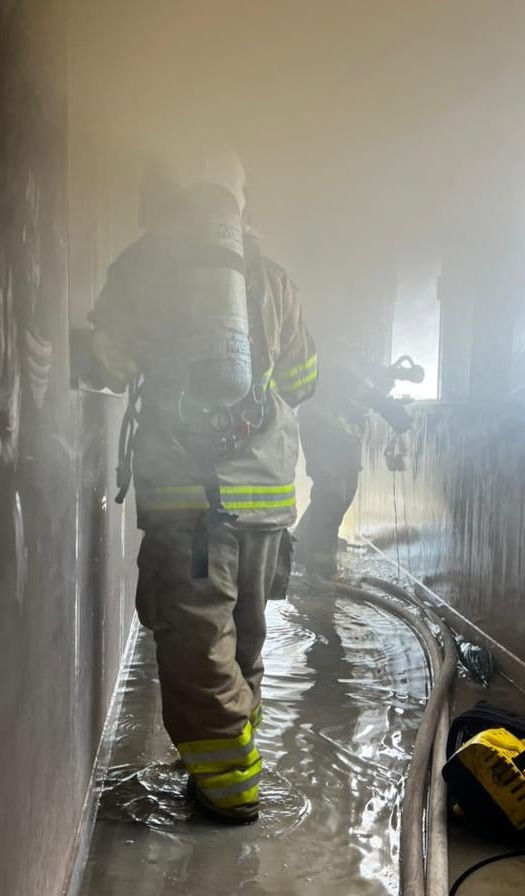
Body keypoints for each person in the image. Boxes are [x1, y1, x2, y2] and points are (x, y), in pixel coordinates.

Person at [84, 143, 317, 823]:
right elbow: (304, 382)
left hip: (190, 503)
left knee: (196, 649)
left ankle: (229, 795)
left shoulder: (144, 267)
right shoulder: (271, 277)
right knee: (244, 641)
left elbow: (108, 361)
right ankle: (237, 765)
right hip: (269, 502)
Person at [295, 344, 422, 577]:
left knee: (342, 493)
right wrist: (402, 422)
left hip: (341, 439)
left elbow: (368, 400)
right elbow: (376, 399)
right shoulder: (348, 376)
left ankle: (300, 547)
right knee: (331, 494)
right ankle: (320, 568)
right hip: (322, 435)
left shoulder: (351, 380)